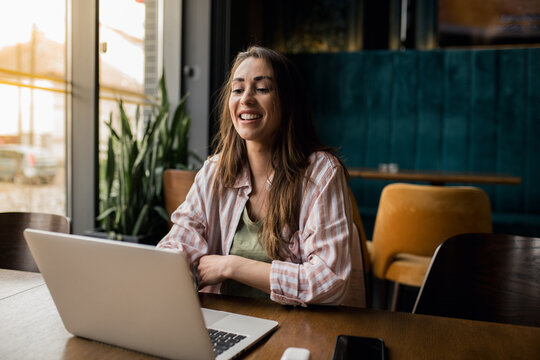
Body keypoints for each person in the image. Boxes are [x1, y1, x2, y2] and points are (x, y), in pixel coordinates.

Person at [157, 46, 363, 307]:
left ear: (288, 102)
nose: (246, 99)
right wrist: (168, 266)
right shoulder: (213, 172)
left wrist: (233, 266)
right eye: (238, 89)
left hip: (296, 328)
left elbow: (328, 282)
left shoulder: (322, 173)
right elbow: (179, 242)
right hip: (224, 322)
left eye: (262, 89)